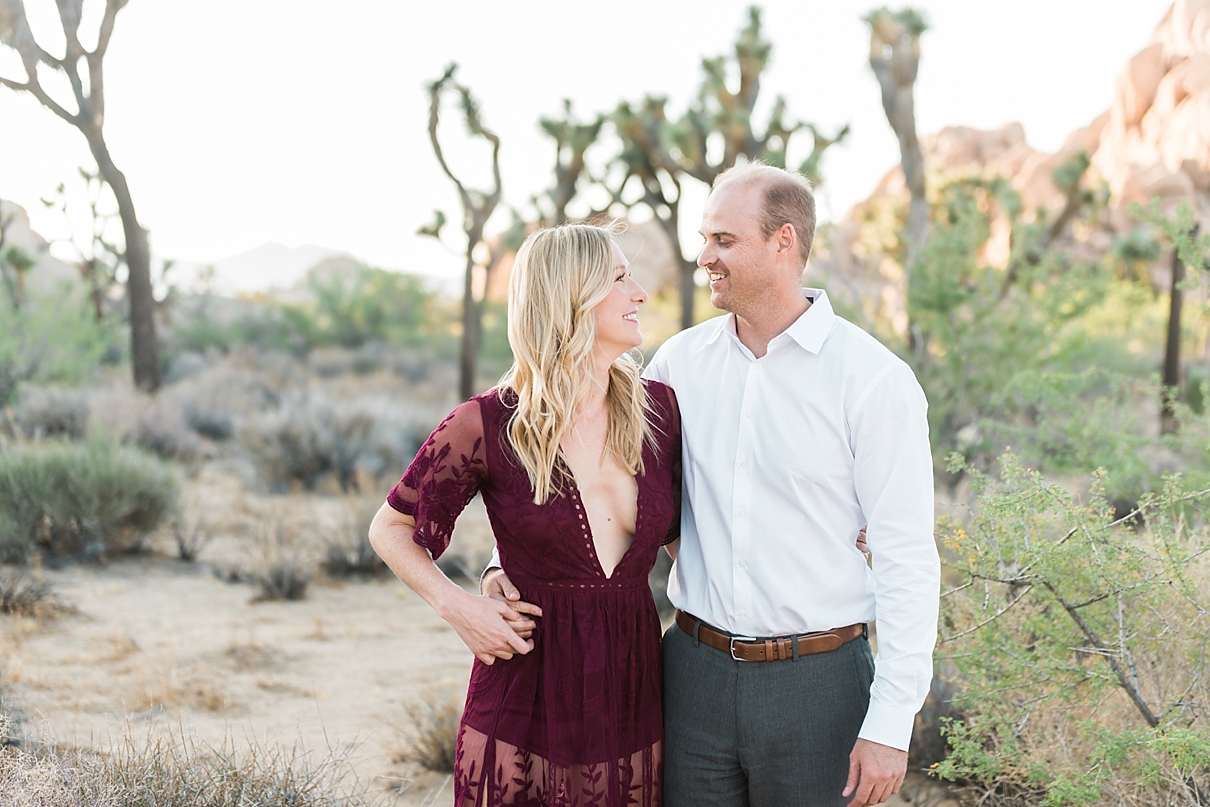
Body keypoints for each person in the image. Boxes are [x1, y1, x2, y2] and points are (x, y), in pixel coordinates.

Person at [486, 161, 940, 807]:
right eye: (705, 239)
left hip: (820, 682)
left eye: (723, 241)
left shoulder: (871, 379)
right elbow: (595, 480)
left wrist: (891, 723)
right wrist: (506, 559)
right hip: (689, 674)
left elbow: (907, 557)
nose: (704, 257)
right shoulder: (678, 365)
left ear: (784, 242)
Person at [368, 223, 682, 807]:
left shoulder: (660, 413)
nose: (639, 291)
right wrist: (459, 607)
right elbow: (389, 529)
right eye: (618, 278)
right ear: (570, 298)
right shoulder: (488, 424)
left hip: (632, 687)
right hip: (526, 688)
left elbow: (690, 534)